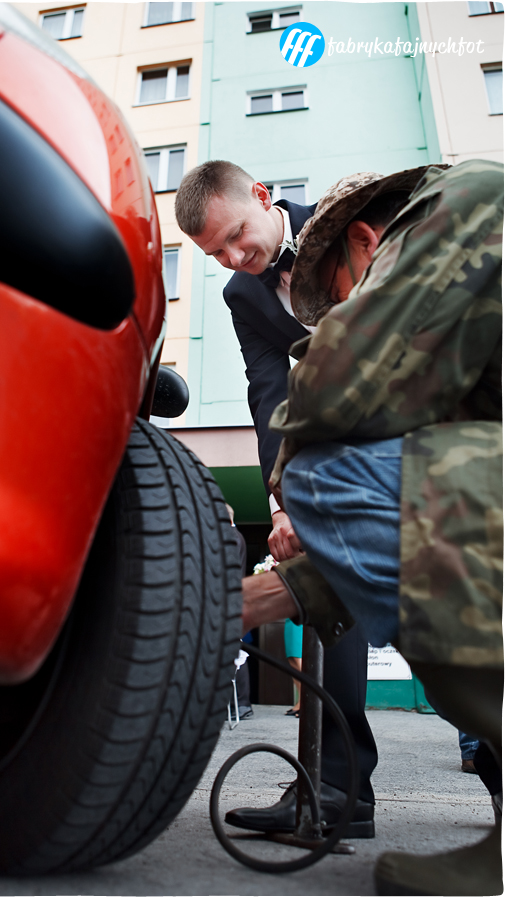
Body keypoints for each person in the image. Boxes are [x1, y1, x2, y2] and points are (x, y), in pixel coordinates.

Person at [242, 159, 503, 895]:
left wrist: (289, 483)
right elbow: (432, 515)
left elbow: (339, 386)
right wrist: (257, 598)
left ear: (368, 241)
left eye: (350, 303)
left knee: (328, 470)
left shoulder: (470, 194)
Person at [175, 161, 377, 839]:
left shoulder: (351, 224)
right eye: (215, 255)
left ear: (262, 197)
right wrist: (283, 503)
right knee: (329, 590)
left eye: (236, 236)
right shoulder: (243, 296)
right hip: (343, 440)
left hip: (432, 422)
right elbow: (270, 398)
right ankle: (340, 788)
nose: (234, 258)